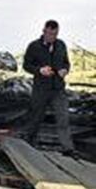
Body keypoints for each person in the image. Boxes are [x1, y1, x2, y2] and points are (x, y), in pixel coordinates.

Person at [17, 20, 74, 154]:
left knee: (63, 119)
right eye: (50, 34)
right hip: (41, 89)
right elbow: (26, 65)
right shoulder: (34, 46)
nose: (52, 37)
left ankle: (68, 148)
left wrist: (64, 70)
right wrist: (40, 70)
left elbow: (66, 63)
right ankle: (28, 144)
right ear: (44, 31)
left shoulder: (61, 45)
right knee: (35, 117)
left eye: (55, 34)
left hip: (58, 89)